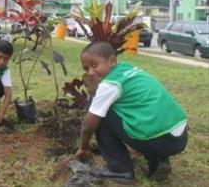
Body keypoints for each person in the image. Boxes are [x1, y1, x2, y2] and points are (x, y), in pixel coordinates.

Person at [75, 41, 188, 182]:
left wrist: (83, 148)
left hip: (160, 140)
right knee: (139, 111)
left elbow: (88, 126)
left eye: (94, 65)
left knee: (98, 112)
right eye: (86, 69)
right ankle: (159, 160)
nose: (90, 73)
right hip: (179, 137)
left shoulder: (109, 85)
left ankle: (119, 169)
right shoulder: (127, 69)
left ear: (111, 61)